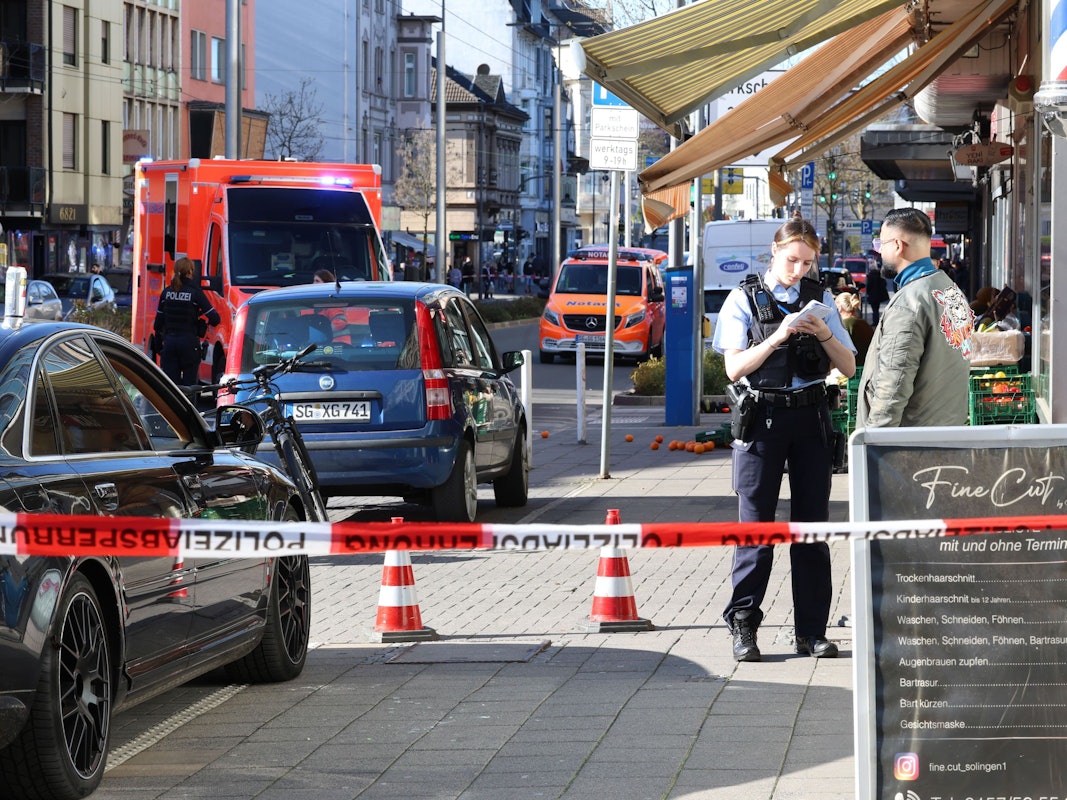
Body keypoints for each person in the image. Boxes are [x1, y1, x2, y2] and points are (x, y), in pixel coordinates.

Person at [712, 218, 857, 663]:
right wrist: (777, 336)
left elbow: (849, 367)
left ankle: (811, 632)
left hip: (811, 417)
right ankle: (744, 626)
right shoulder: (743, 298)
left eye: (807, 262)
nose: (798, 270)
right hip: (763, 419)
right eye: (792, 260)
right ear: (773, 253)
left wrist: (825, 332)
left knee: (811, 530)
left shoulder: (822, 299)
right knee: (756, 529)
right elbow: (734, 369)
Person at [856, 208, 974, 429]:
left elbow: (893, 385)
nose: (879, 252)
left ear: (898, 246)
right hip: (945, 431)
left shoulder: (908, 304)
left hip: (909, 444)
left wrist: (873, 443)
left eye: (881, 245)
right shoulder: (950, 289)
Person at [153, 257, 220, 386]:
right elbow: (215, 318)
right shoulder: (195, 293)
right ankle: (188, 406)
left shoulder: (166, 292)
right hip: (189, 345)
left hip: (170, 344)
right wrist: (200, 319)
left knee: (172, 388)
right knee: (190, 387)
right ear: (190, 272)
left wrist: (159, 347)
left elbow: (158, 324)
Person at [834, 290, 873, 366]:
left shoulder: (843, 325)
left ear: (839, 307)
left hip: (851, 369)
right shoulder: (864, 324)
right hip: (868, 368)